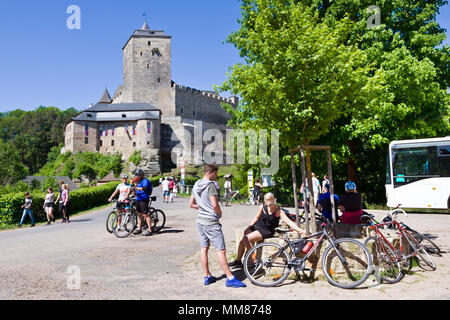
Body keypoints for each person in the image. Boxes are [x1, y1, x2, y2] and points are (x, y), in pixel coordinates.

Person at [189, 164, 246, 288]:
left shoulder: (196, 184)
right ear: (210, 173)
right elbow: (214, 204)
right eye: (215, 173)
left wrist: (203, 207)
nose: (216, 176)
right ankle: (230, 278)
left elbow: (191, 204)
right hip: (211, 222)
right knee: (221, 250)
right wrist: (219, 213)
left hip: (200, 221)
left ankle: (207, 276)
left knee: (204, 248)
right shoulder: (210, 185)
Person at [229, 192, 304, 268]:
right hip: (257, 227)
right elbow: (256, 218)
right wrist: (249, 227)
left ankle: (254, 259)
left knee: (246, 239)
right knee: (242, 241)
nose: (269, 204)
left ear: (273, 200)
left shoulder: (278, 210)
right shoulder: (262, 206)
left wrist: (299, 229)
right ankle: (238, 261)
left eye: (270, 202)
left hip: (266, 230)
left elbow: (288, 221)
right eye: (267, 202)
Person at [132, 169, 154, 236]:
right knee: (139, 214)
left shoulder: (145, 181)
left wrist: (136, 188)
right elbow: (137, 190)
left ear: (141, 175)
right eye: (136, 175)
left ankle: (150, 230)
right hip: (138, 199)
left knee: (145, 214)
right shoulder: (138, 182)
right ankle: (139, 228)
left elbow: (144, 188)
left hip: (144, 199)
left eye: (138, 175)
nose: (137, 177)